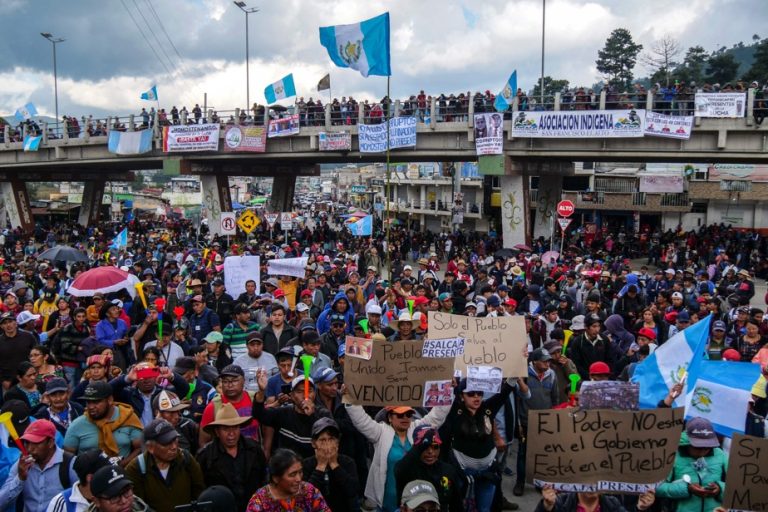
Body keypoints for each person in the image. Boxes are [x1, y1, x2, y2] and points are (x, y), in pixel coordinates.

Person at [346, 401, 451, 512]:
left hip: (415, 498)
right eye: (400, 415)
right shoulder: (380, 432)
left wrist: (447, 393)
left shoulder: (418, 430)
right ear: (390, 417)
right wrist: (349, 401)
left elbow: (436, 417)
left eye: (409, 415)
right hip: (388, 498)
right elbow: (361, 421)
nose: (405, 418)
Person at [196, 403, 267, 512]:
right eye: (225, 429)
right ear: (217, 432)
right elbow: (200, 490)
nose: (231, 434)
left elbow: (265, 479)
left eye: (235, 428)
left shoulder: (254, 449)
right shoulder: (206, 456)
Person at [124, 419, 205, 512]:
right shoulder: (135, 469)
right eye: (167, 443)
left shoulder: (186, 459)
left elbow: (199, 492)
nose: (174, 447)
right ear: (150, 447)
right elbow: (137, 506)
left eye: (175, 439)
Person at [0, 419, 77, 512]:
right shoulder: (21, 465)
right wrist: (20, 478)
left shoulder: (70, 463)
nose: (30, 448)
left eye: (36, 443)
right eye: (27, 443)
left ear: (50, 443)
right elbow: (2, 503)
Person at [252, 373, 332, 459]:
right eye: (299, 392)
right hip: (286, 467)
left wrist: (312, 416)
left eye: (309, 391)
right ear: (292, 396)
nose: (305, 396)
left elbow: (330, 440)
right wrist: (261, 391)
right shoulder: (283, 413)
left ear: (315, 394)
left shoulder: (323, 415)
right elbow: (259, 414)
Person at [656, 417, 727, 512]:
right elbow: (657, 487)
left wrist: (719, 489)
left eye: (707, 447)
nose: (703, 451)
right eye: (698, 446)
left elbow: (736, 487)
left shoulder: (720, 454)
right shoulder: (672, 455)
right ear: (687, 441)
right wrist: (687, 489)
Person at [63, 381, 144, 461]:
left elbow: (140, 448)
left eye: (96, 402)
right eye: (88, 402)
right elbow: (67, 457)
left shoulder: (128, 418)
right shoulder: (77, 425)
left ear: (110, 400)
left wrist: (122, 466)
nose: (90, 407)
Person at [394, 425, 464, 512]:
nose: (430, 451)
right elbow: (399, 469)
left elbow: (457, 505)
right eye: (425, 446)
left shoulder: (448, 471)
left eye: (435, 447)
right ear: (416, 448)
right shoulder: (407, 469)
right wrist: (421, 442)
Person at [301, 418, 359, 512]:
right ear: (313, 443)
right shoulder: (305, 464)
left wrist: (334, 464)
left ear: (337, 442)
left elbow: (353, 491)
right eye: (322, 440)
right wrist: (321, 466)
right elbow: (306, 497)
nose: (327, 445)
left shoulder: (348, 462)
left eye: (331, 439)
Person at [246, 448, 331, 512]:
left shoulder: (309, 491)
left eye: (300, 472)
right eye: (292, 474)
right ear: (276, 478)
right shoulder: (260, 501)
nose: (299, 479)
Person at [199, 364, 260, 446]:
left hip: (253, 454)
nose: (230, 385)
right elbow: (203, 441)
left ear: (244, 381)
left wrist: (266, 451)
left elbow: (267, 429)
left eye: (234, 381)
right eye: (225, 381)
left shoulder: (254, 400)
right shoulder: (213, 407)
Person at [46, 449, 111, 512]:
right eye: (107, 473)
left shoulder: (116, 496)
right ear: (90, 478)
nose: (112, 474)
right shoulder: (63, 503)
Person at [151, 390, 198, 455]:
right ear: (157, 413)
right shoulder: (151, 433)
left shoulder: (188, 425)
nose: (176, 416)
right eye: (171, 412)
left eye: (178, 411)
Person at [536, 486, 656, 511]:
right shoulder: (561, 502)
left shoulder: (613, 505)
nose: (591, 485)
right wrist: (546, 507)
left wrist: (639, 508)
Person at [87, 465, 151, 512]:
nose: (124, 501)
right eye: (114, 498)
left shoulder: (143, 509)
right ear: (97, 501)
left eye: (126, 492)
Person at [0, 311, 37, 391]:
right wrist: (3, 381)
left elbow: (37, 356)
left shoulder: (28, 337)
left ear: (16, 323)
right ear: (1, 326)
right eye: (5, 323)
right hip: (8, 382)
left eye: (10, 321)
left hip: (29, 379)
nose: (8, 325)